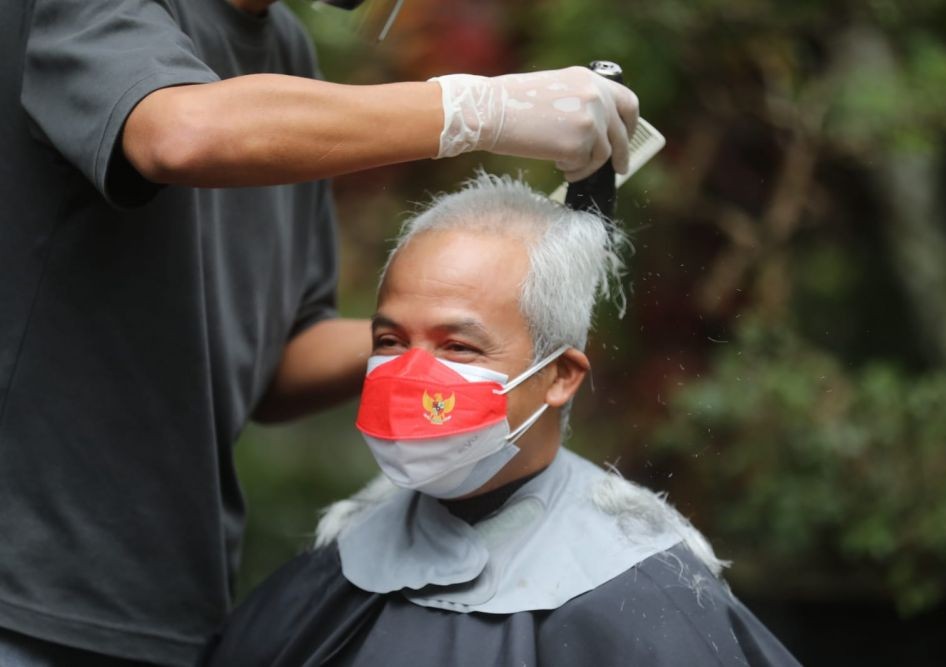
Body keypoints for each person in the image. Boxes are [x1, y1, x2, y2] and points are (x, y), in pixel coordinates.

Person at [0, 1, 640, 664]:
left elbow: (275, 364)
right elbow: (179, 132)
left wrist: (436, 344)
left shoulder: (285, 52)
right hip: (24, 592)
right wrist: (475, 108)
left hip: (170, 599)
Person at [202, 172, 802, 666]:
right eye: (389, 339)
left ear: (560, 376)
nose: (411, 375)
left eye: (458, 347)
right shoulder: (339, 567)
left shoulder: (637, 596)